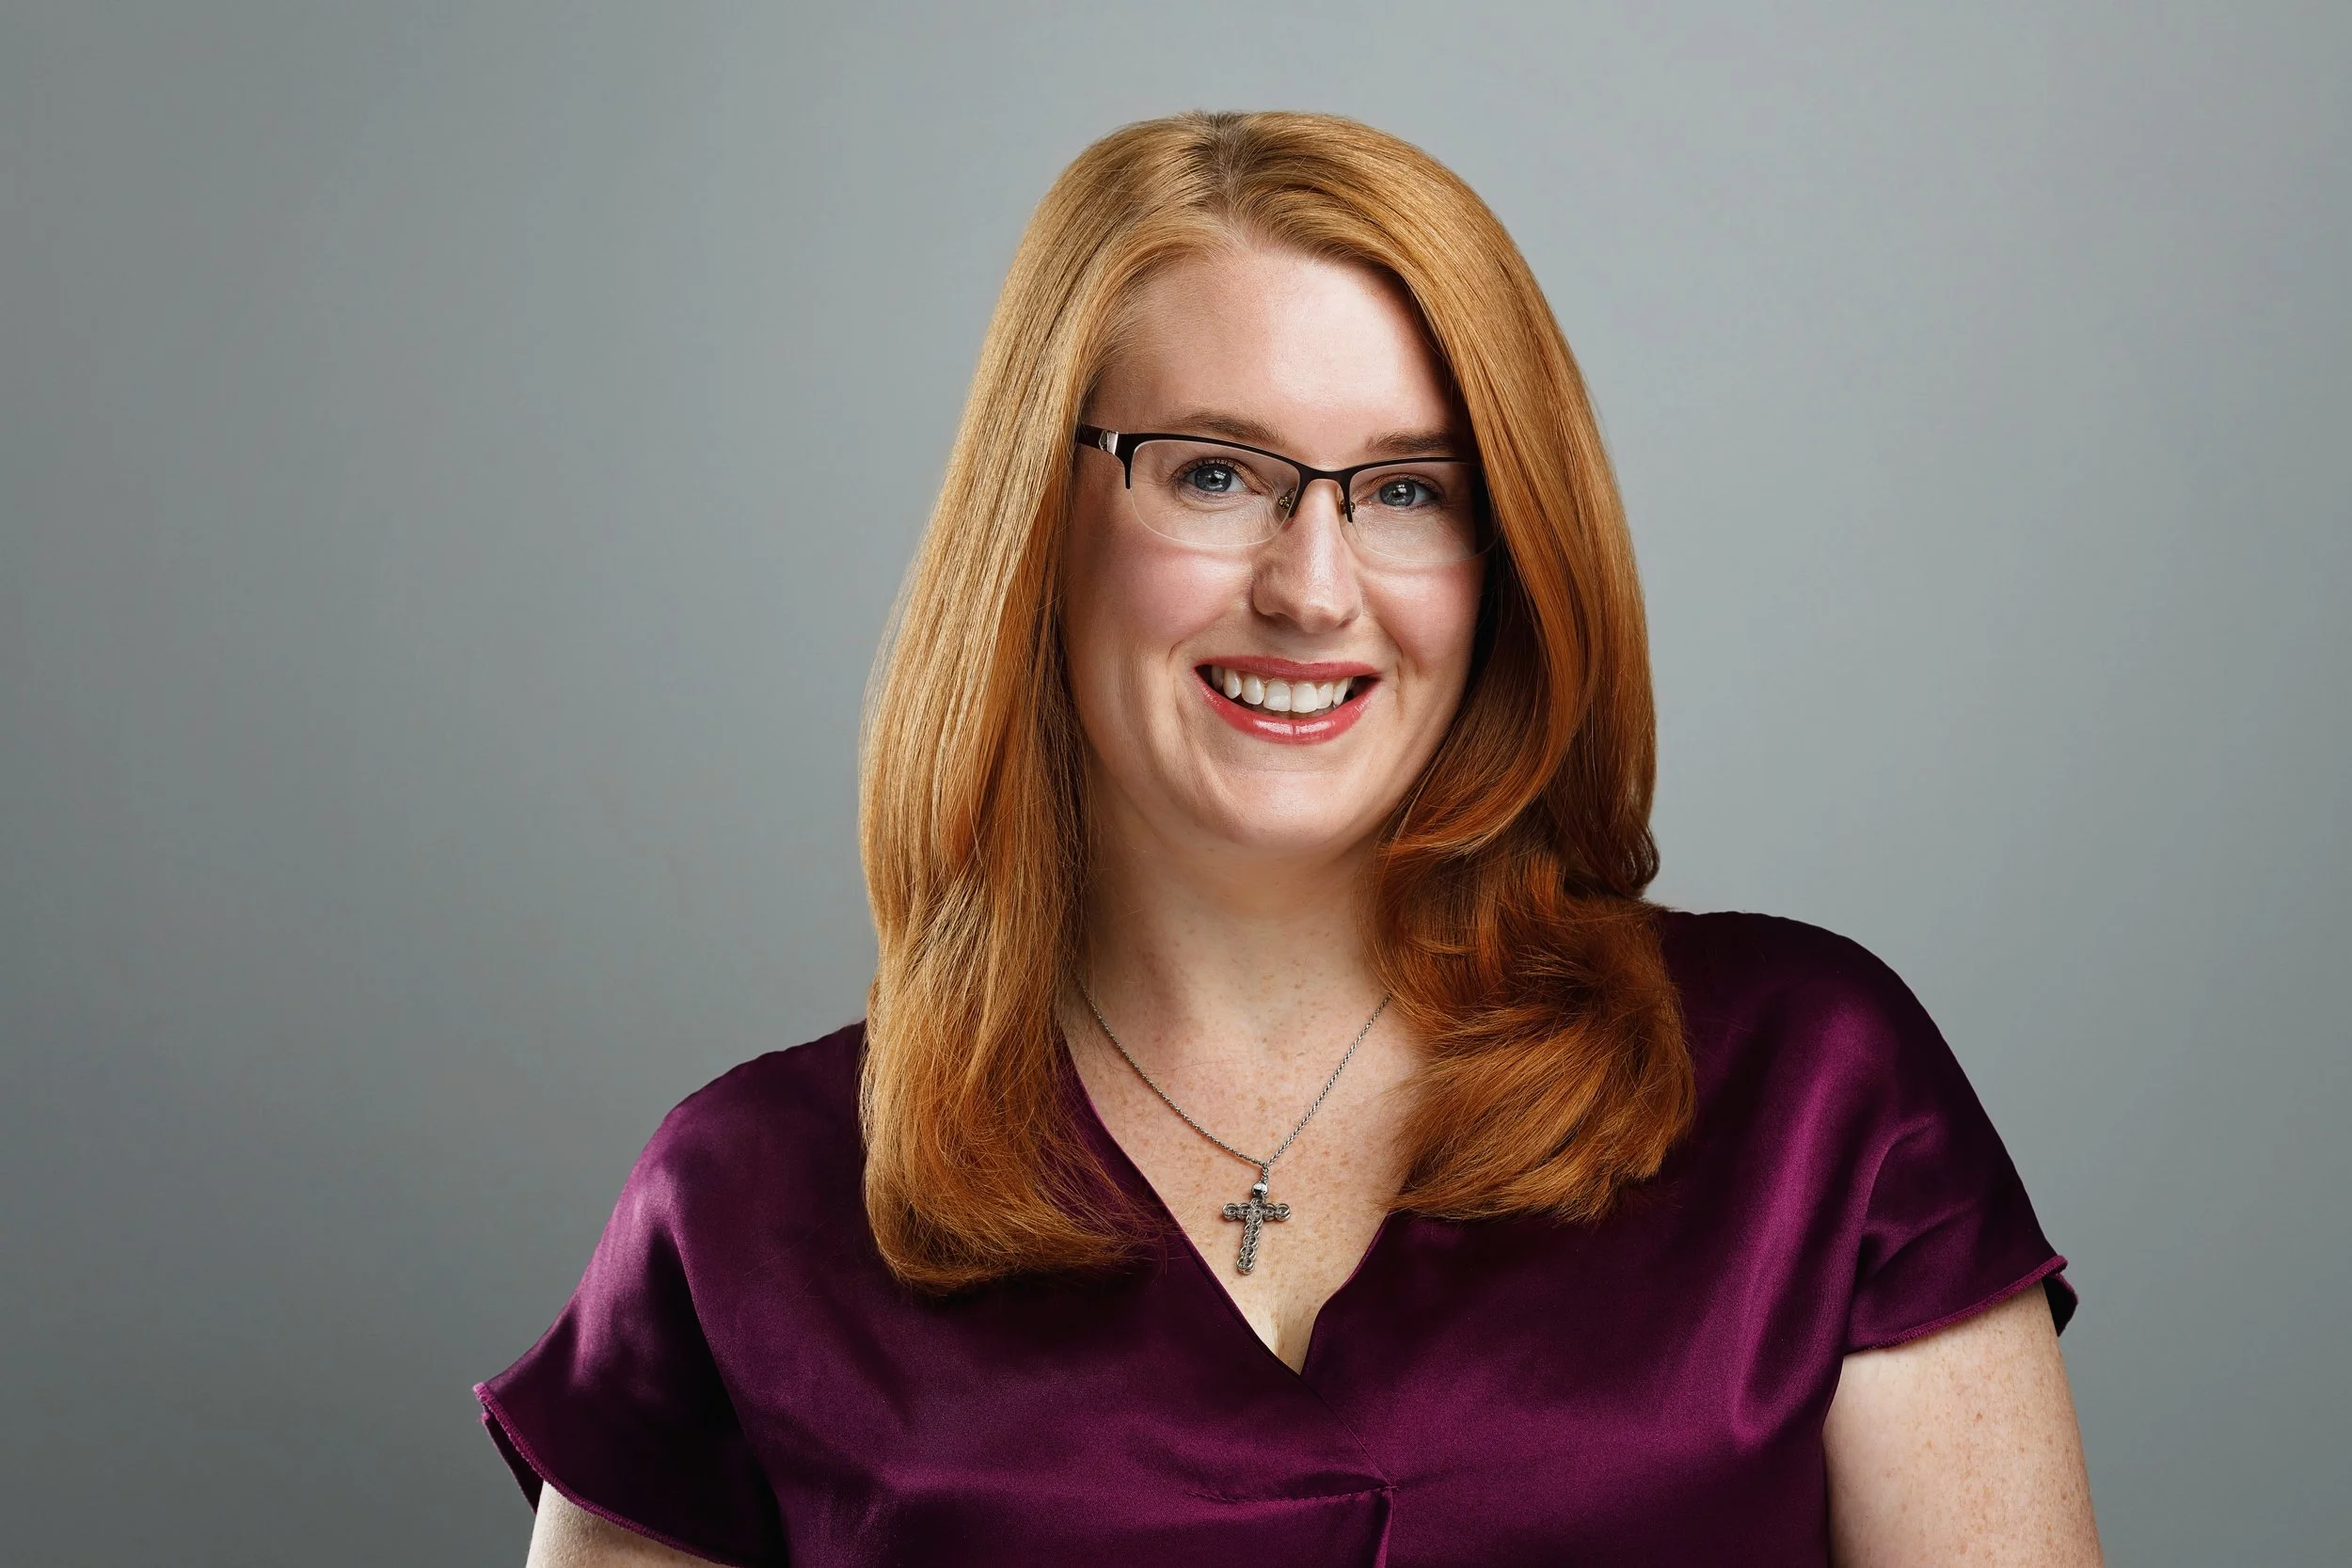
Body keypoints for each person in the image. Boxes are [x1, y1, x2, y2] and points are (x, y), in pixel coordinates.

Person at [476, 110, 2101, 1566]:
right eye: (1213, 472)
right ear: (1037, 527)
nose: (1313, 588)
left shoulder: (1819, 1097)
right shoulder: (745, 1201)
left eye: (1407, 490)